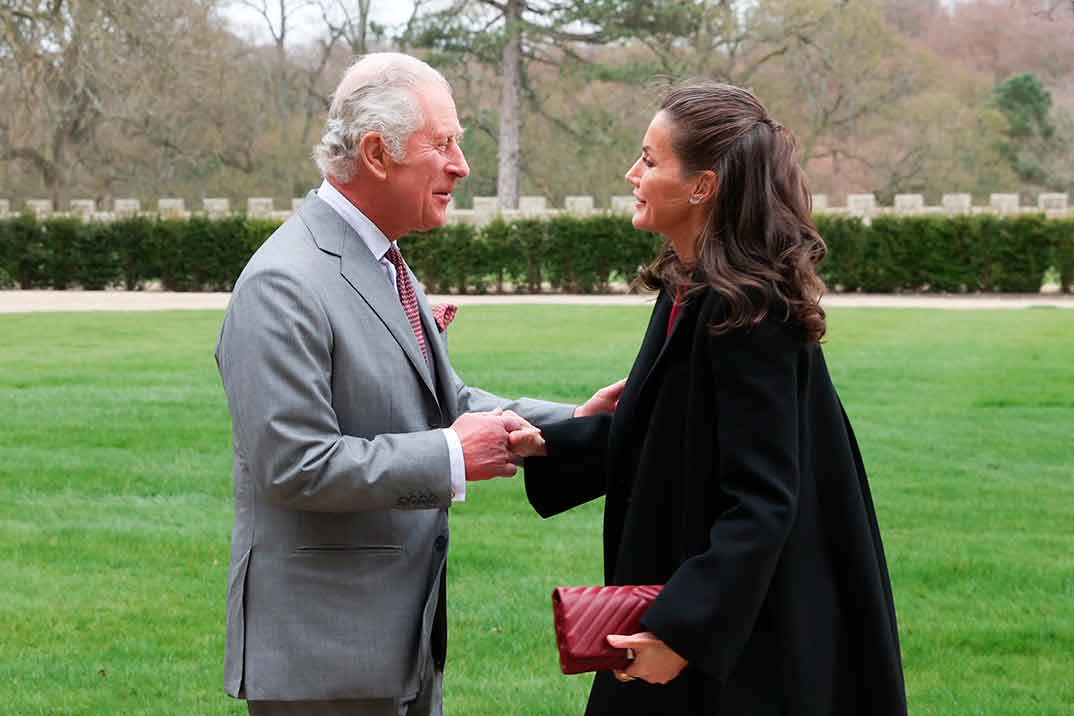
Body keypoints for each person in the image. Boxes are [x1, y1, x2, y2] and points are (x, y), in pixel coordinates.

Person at [215, 53, 620, 716]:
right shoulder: (284, 283)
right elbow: (292, 465)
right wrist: (454, 457)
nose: (460, 166)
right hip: (327, 664)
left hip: (398, 647)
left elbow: (446, 403)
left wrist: (570, 422)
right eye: (444, 144)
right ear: (376, 153)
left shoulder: (382, 262)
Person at [513, 82, 907, 715]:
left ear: (703, 186)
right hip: (691, 601)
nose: (631, 173)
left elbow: (762, 500)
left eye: (649, 159)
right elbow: (675, 439)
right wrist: (548, 443)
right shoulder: (688, 285)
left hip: (745, 647)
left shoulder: (750, 311)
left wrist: (680, 632)